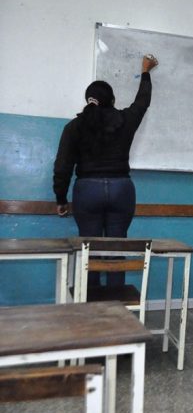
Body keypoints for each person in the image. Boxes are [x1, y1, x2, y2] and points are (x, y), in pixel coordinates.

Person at [53, 54, 158, 285]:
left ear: (88, 99)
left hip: (87, 190)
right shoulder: (124, 119)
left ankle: (90, 306)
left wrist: (61, 198)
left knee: (88, 250)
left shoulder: (73, 127)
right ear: (112, 99)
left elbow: (62, 166)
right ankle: (115, 310)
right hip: (122, 189)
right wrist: (145, 72)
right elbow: (142, 102)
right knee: (116, 249)